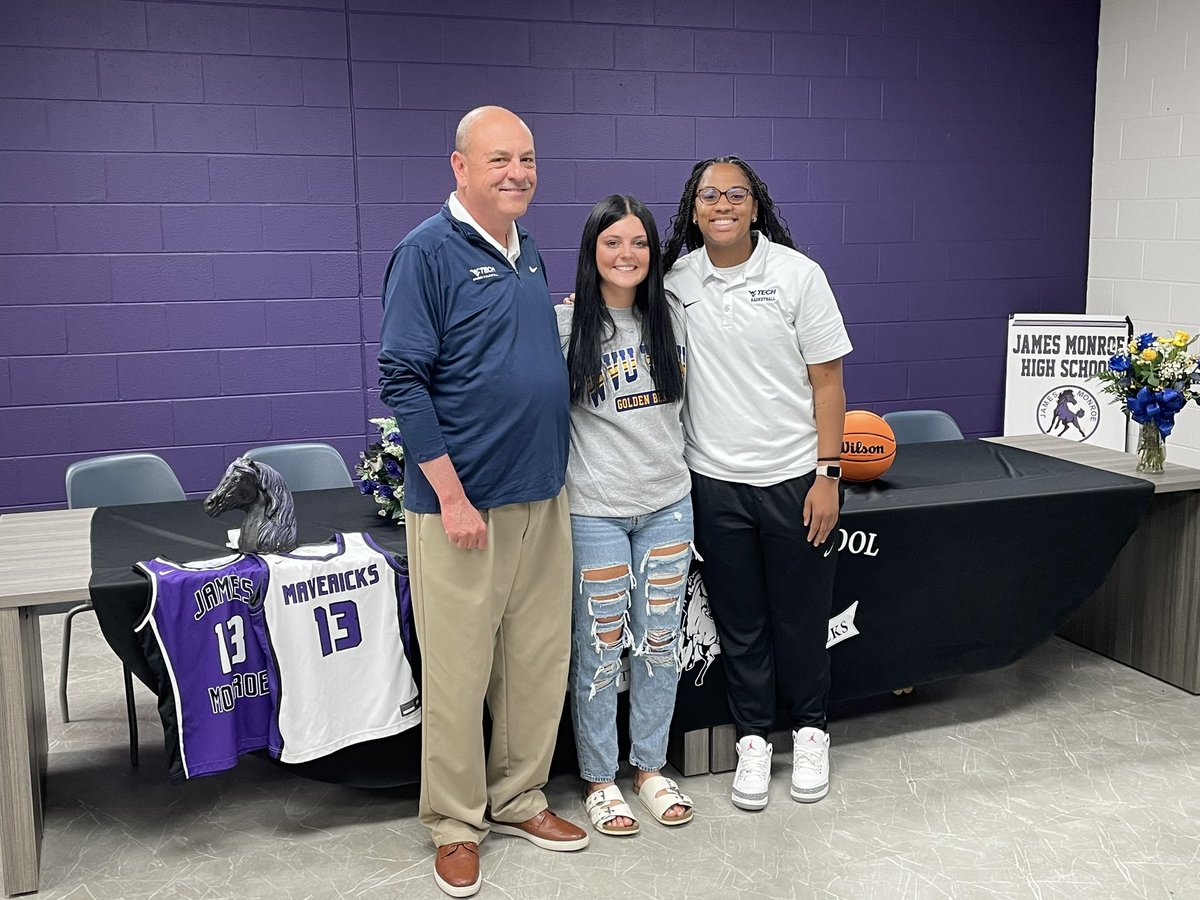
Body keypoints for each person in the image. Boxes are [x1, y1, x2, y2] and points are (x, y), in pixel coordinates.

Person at [378, 106, 588, 899]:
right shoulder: (425, 252)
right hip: (462, 509)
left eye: (526, 159)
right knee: (459, 676)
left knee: (536, 664)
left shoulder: (527, 250)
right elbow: (403, 380)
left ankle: (520, 797)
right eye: (499, 158)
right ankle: (456, 823)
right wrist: (452, 496)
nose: (517, 172)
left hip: (542, 497)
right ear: (459, 166)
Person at [662, 156, 852, 812]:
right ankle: (752, 741)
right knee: (740, 626)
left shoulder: (799, 275)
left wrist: (828, 475)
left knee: (800, 622)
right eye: (709, 195)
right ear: (693, 210)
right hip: (714, 485)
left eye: (736, 194)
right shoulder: (677, 282)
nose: (723, 205)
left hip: (796, 480)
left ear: (755, 205)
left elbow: (829, 383)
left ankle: (810, 732)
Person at [556, 195, 695, 836]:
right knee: (599, 646)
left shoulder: (672, 316)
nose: (627, 254)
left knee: (661, 643)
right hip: (595, 511)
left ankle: (649, 768)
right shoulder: (564, 326)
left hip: (668, 505)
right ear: (592, 252)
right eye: (612, 242)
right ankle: (599, 777)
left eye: (639, 242)